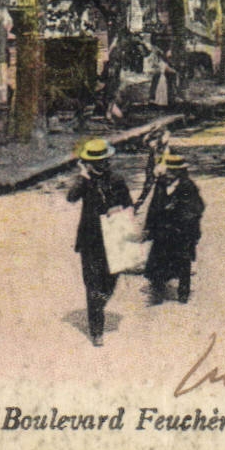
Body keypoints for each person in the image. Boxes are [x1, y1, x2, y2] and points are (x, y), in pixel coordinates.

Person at [65, 138, 132, 345]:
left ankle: (99, 302)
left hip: (114, 237)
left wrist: (118, 210)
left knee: (110, 281)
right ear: (88, 163)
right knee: (92, 284)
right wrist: (82, 178)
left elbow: (129, 204)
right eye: (95, 163)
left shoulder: (117, 180)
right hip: (90, 238)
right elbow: (71, 197)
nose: (100, 165)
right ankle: (96, 331)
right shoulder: (85, 181)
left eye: (104, 161)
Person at [144, 153, 204, 303]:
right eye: (168, 169)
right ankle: (158, 289)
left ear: (180, 171)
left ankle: (183, 293)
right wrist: (149, 227)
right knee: (158, 258)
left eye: (173, 170)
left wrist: (177, 209)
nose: (169, 173)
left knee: (183, 261)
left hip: (182, 231)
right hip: (163, 230)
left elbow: (197, 208)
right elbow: (154, 205)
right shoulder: (161, 183)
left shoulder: (188, 186)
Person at [133, 128, 171, 211]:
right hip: (154, 163)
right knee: (149, 184)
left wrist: (160, 166)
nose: (151, 145)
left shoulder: (163, 146)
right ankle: (140, 203)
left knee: (160, 185)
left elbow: (164, 157)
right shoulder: (153, 145)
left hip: (161, 165)